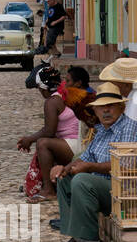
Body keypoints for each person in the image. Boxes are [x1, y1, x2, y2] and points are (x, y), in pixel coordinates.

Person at [49, 83, 137, 242]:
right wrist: (64, 169)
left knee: (81, 181)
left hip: (125, 190)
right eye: (101, 107)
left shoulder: (129, 127)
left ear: (121, 107)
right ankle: (78, 235)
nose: (106, 111)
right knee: (65, 179)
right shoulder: (102, 130)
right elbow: (85, 158)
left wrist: (89, 168)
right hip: (103, 187)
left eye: (110, 106)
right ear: (95, 111)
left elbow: (126, 166)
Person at [19, 65, 93, 202]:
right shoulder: (67, 93)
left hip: (76, 144)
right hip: (81, 141)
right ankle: (53, 183)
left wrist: (29, 139)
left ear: (42, 88)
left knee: (43, 144)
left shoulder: (52, 102)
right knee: (47, 143)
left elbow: (49, 131)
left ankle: (49, 190)